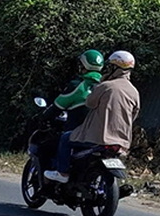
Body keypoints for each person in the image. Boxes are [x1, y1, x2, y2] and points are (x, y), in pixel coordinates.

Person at [44, 50, 140, 183]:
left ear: (114, 68)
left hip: (97, 136)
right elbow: (134, 115)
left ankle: (62, 173)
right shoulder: (134, 92)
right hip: (121, 140)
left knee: (65, 139)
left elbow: (90, 103)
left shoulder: (106, 86)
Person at [53, 49, 104, 131]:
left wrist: (42, 117)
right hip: (99, 135)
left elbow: (58, 105)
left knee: (63, 139)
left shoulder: (78, 85)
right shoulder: (105, 85)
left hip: (77, 134)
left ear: (83, 65)